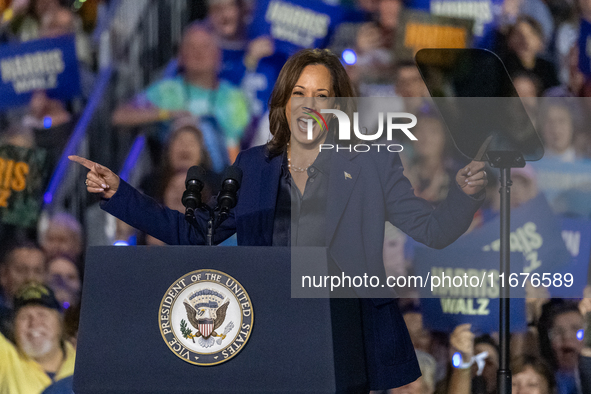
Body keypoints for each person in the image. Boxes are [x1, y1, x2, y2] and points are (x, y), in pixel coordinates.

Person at [70, 48, 487, 391]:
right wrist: (119, 194)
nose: (310, 104)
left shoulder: (372, 163)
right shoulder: (254, 165)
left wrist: (464, 195)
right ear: (283, 101)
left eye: (322, 94)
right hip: (267, 329)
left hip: (346, 332)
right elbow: (198, 234)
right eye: (300, 92)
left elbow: (433, 230)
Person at [0, 282, 75, 393]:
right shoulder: (6, 359)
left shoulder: (83, 363)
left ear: (60, 321)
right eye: (24, 317)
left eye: (42, 315)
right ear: (13, 326)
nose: (34, 323)